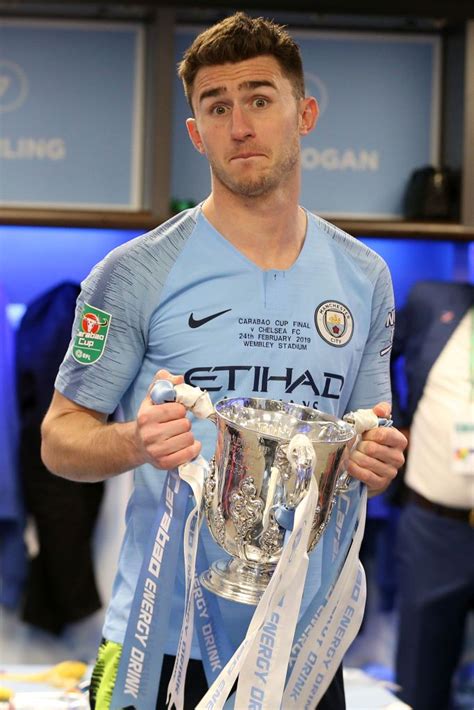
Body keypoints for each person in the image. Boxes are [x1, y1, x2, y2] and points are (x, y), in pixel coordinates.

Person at [41, 12, 407, 709]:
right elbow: (59, 440)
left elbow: (368, 439)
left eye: (260, 99)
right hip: (157, 641)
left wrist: (379, 458)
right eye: (218, 106)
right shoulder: (133, 272)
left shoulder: (365, 278)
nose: (240, 124)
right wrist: (134, 441)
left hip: (301, 647)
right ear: (195, 131)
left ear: (304, 113)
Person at [391, 279, 474, 710]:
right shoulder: (434, 301)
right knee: (420, 684)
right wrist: (396, 423)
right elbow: (376, 352)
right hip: (435, 528)